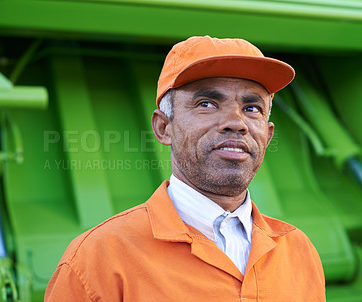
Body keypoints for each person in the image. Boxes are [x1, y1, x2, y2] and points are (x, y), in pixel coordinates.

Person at [45, 36, 326, 301]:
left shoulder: (299, 251)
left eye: (252, 108)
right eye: (207, 103)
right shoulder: (96, 260)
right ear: (164, 128)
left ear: (268, 135)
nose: (236, 122)